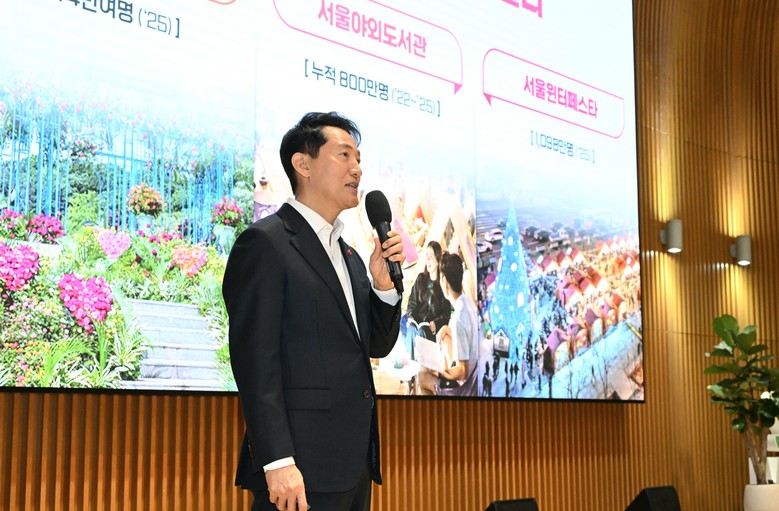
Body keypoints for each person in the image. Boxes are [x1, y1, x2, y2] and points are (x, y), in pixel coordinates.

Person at [223, 112, 405, 511]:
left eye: (359, 159)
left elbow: (373, 346)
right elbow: (255, 362)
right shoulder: (265, 243)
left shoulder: (350, 255)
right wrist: (277, 460)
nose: (357, 169)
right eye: (344, 155)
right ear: (302, 165)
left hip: (352, 468)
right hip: (298, 471)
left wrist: (383, 288)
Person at [417, 252, 479, 396]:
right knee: (444, 338)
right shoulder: (466, 302)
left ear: (444, 281)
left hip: (466, 387)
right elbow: (466, 334)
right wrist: (446, 328)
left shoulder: (458, 318)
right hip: (474, 373)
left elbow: (463, 372)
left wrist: (439, 372)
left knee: (422, 375)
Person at [404, 240, 450, 358]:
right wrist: (411, 316)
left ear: (438, 259)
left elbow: (446, 314)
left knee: (422, 332)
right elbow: (412, 303)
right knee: (411, 329)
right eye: (427, 256)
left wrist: (436, 323)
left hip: (431, 330)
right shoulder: (421, 279)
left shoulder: (442, 284)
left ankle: (423, 365)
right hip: (418, 324)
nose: (428, 260)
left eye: (431, 256)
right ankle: (411, 364)